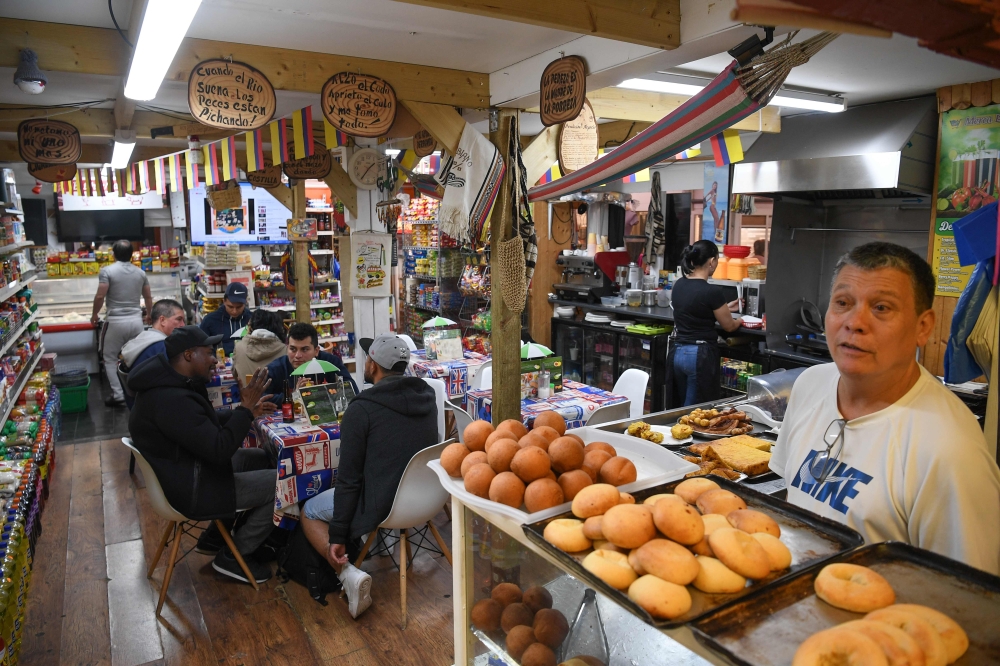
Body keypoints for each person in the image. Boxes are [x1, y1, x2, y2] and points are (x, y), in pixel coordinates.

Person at [770, 242, 1000, 575]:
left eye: (881, 307)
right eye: (843, 303)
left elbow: (968, 601)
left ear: (923, 327)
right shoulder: (810, 385)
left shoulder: (950, 451)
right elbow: (793, 503)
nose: (855, 322)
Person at [299, 334, 439, 617]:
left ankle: (347, 573)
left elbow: (349, 481)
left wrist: (338, 535)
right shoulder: (427, 395)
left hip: (384, 504)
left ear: (372, 366)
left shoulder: (361, 409)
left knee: (309, 510)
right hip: (428, 499)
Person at [127, 326, 279, 584]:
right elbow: (219, 450)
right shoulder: (171, 399)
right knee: (285, 483)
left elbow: (199, 424)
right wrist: (243, 410)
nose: (215, 360)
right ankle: (235, 555)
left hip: (185, 472)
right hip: (194, 489)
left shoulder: (167, 385)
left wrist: (245, 413)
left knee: (259, 457)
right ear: (188, 355)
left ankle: (215, 537)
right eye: (208, 353)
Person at [666, 240, 742, 407]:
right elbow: (729, 326)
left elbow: (695, 309)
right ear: (711, 261)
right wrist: (741, 320)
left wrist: (725, 307)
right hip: (699, 356)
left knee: (680, 409)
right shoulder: (712, 291)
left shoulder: (679, 284)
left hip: (678, 353)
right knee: (696, 412)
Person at [92, 239, 152, 406]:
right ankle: (140, 390)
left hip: (115, 322)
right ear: (132, 254)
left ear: (113, 254)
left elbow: (100, 295)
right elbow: (148, 296)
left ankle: (119, 394)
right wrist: (149, 315)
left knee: (110, 357)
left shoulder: (107, 271)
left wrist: (94, 315)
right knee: (138, 356)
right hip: (136, 321)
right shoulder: (140, 273)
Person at [119, 299, 186, 408]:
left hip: (137, 408)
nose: (183, 325)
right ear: (162, 320)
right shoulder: (162, 347)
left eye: (184, 320)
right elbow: (179, 380)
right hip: (154, 410)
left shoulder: (143, 338)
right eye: (179, 319)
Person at [267, 322, 357, 401]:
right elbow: (262, 399)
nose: (298, 355)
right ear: (287, 348)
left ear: (316, 350)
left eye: (304, 349)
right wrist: (294, 395)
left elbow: (352, 390)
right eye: (293, 349)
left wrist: (318, 392)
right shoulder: (276, 369)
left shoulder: (330, 363)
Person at [232, 309, 287, 383]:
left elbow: (235, 375)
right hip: (278, 394)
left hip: (247, 394)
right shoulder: (285, 350)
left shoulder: (239, 347)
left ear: (251, 327)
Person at [199, 282, 251, 356]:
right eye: (230, 307)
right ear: (224, 301)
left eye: (239, 307)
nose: (234, 311)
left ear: (245, 302)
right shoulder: (210, 321)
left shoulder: (253, 320)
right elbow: (201, 349)